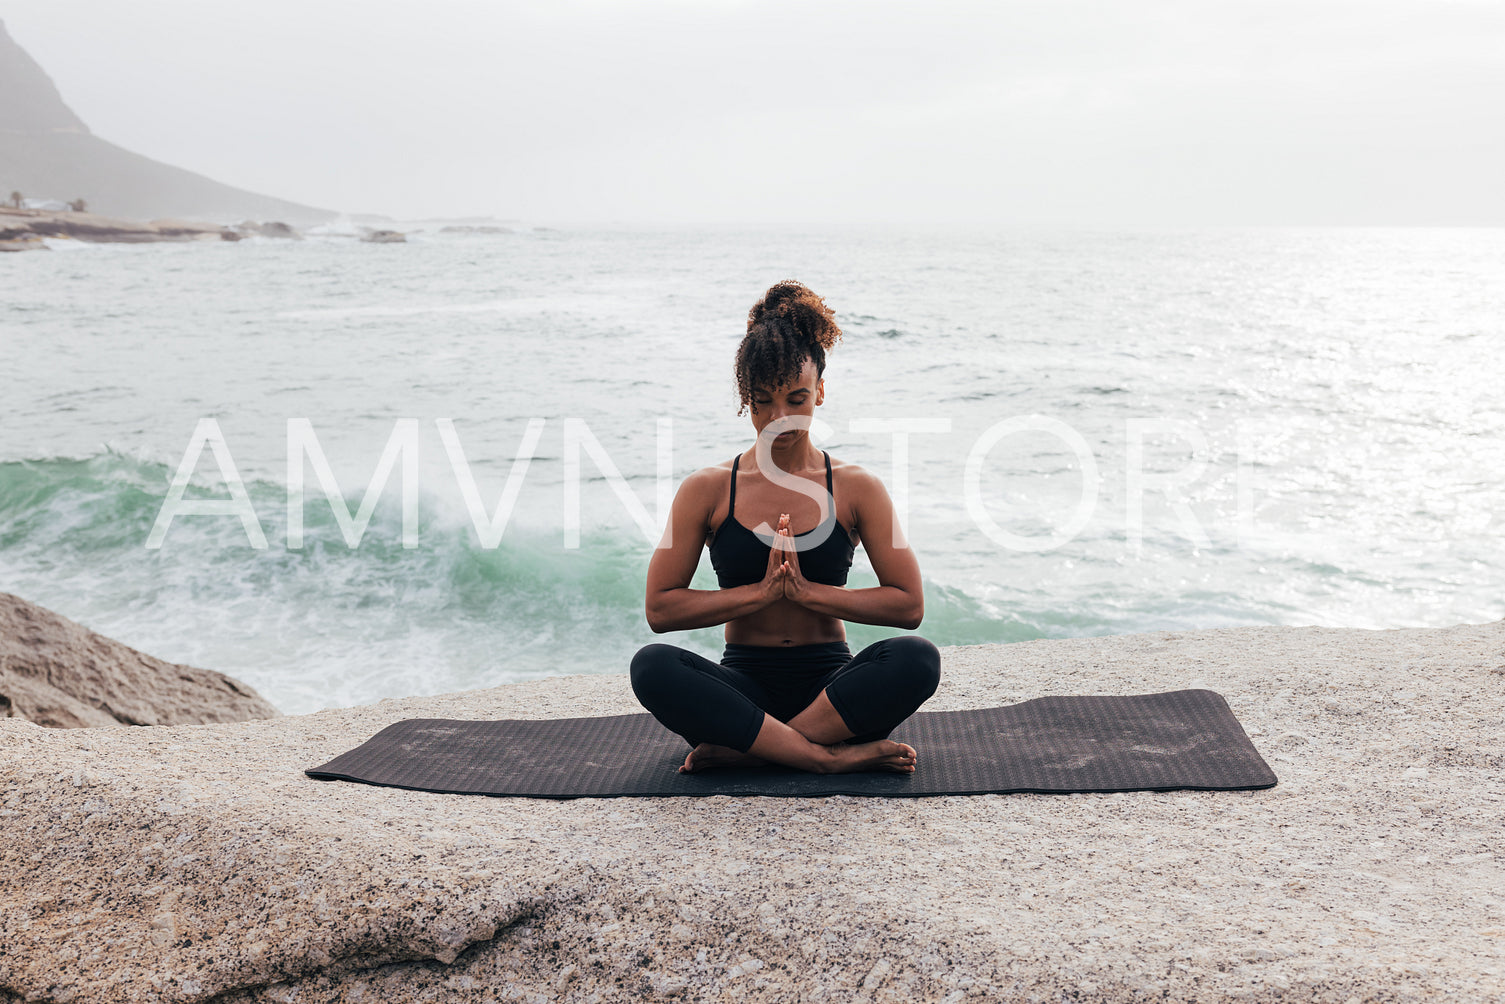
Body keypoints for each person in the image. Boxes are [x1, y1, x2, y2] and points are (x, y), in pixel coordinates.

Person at [630, 279, 941, 775]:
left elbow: (909, 605)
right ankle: (822, 758)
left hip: (832, 694)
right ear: (744, 398)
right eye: (762, 402)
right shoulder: (707, 489)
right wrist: (760, 595)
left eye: (797, 399)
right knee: (652, 666)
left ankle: (756, 747)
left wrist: (804, 593)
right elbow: (660, 608)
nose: (780, 419)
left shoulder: (857, 487)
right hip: (743, 685)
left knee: (918, 658)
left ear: (820, 391)